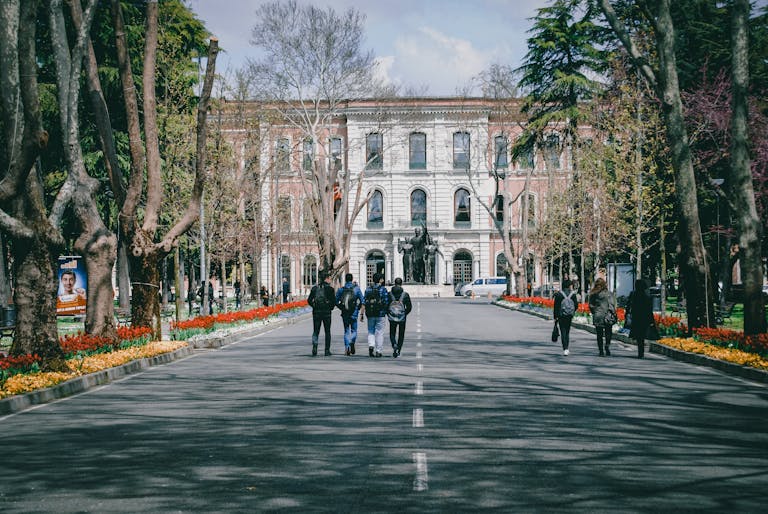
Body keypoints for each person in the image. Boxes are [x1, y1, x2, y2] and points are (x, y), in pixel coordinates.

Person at [336, 273, 365, 356]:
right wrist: (358, 308)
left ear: (345, 279)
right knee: (354, 330)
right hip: (354, 312)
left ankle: (347, 346)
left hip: (345, 312)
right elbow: (362, 301)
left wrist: (341, 307)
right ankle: (352, 341)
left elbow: (336, 301)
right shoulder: (356, 289)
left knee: (346, 330)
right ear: (352, 279)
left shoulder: (341, 289)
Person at [308, 270, 336, 356]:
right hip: (326, 312)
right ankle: (327, 350)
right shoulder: (330, 289)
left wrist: (314, 306)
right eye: (329, 278)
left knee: (316, 331)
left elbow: (309, 300)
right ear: (327, 279)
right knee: (327, 331)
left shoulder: (314, 288)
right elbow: (333, 302)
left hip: (316, 312)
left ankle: (315, 346)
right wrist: (330, 308)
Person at [362, 272, 390, 357]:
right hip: (380, 314)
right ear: (380, 280)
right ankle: (378, 350)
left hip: (370, 313)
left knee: (371, 331)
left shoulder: (368, 289)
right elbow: (386, 301)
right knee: (379, 332)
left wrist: (362, 314)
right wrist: (386, 311)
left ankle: (371, 345)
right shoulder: (383, 289)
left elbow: (364, 301)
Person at [588, 278, 615, 357]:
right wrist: (612, 312)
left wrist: (595, 311)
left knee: (599, 334)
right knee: (608, 332)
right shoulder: (609, 293)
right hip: (608, 315)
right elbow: (612, 304)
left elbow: (590, 305)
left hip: (598, 315)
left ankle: (601, 351)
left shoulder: (593, 294)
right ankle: (607, 344)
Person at [629, 278, 656, 358]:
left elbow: (629, 305)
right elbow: (649, 309)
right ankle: (641, 351)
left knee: (639, 336)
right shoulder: (646, 296)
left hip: (636, 317)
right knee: (642, 334)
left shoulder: (633, 295)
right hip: (644, 317)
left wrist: (628, 314)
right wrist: (651, 319)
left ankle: (640, 351)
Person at [388, 277, 413, 358]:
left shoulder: (390, 294)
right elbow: (409, 307)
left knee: (392, 332)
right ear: (401, 284)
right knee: (401, 334)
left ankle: (394, 344)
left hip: (392, 316)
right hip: (402, 317)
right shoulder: (405, 295)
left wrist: (388, 313)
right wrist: (404, 313)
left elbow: (386, 305)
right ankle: (398, 349)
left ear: (394, 283)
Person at [553, 279, 579, 356]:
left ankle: (565, 348)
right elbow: (576, 305)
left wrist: (555, 317)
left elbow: (556, 307)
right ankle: (567, 348)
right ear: (569, 286)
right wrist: (572, 311)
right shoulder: (573, 294)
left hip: (561, 315)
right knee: (567, 331)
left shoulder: (558, 294)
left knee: (563, 331)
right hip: (569, 315)